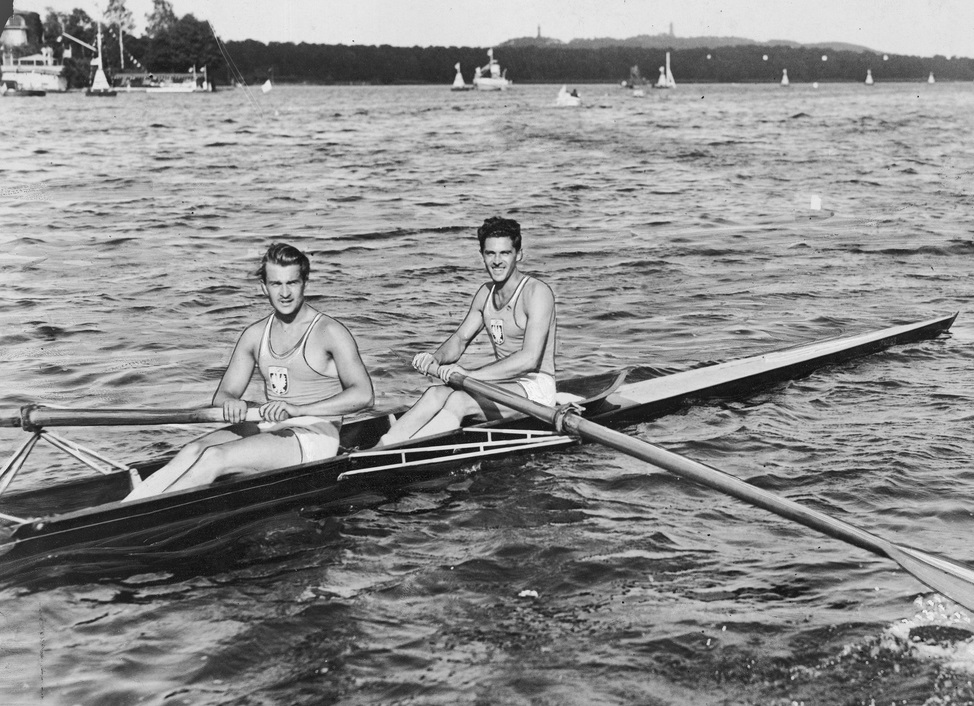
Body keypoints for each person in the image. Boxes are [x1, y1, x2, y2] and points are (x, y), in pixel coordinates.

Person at [124, 243, 374, 501]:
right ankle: (131, 506)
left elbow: (364, 395)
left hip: (313, 436)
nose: (285, 293)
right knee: (193, 449)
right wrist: (233, 403)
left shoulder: (330, 332)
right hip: (272, 425)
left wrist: (299, 409)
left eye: (293, 283)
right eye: (276, 284)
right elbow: (223, 394)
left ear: (305, 284)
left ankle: (140, 516)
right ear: (264, 287)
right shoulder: (254, 335)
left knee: (215, 456)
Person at [378, 216, 556, 446]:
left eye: (505, 253)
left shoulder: (537, 293)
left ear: (518, 254)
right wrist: (436, 358)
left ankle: (413, 453)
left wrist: (471, 375)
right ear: (482, 255)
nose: (497, 261)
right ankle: (381, 448)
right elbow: (460, 340)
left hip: (536, 390)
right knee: (435, 393)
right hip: (501, 384)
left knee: (459, 401)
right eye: (490, 253)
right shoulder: (485, 294)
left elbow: (529, 360)